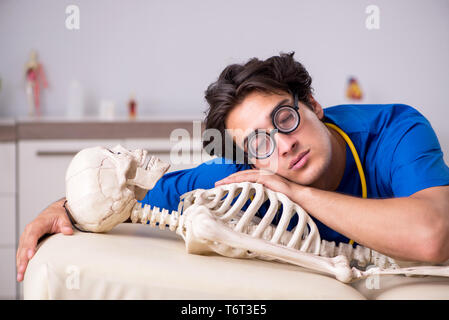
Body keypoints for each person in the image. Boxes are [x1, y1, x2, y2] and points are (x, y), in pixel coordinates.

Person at [16, 52, 449, 283]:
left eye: (285, 117)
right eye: (259, 142)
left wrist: (300, 195)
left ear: (313, 105)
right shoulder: (240, 180)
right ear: (247, 159)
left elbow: (432, 237)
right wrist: (59, 207)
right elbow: (137, 191)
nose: (283, 145)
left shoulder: (395, 129)